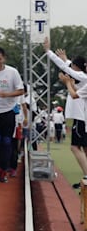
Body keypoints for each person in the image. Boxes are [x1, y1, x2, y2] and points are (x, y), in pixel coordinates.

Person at [43, 37, 87, 181]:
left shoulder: (81, 77)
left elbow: (68, 71)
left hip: (81, 117)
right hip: (81, 116)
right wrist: (66, 60)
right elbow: (70, 68)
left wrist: (48, 52)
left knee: (75, 147)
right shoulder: (82, 76)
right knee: (84, 148)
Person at [0, 47, 25, 182]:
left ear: (4, 59)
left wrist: (6, 94)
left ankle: (4, 170)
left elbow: (21, 90)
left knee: (7, 142)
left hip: (8, 111)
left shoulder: (12, 72)